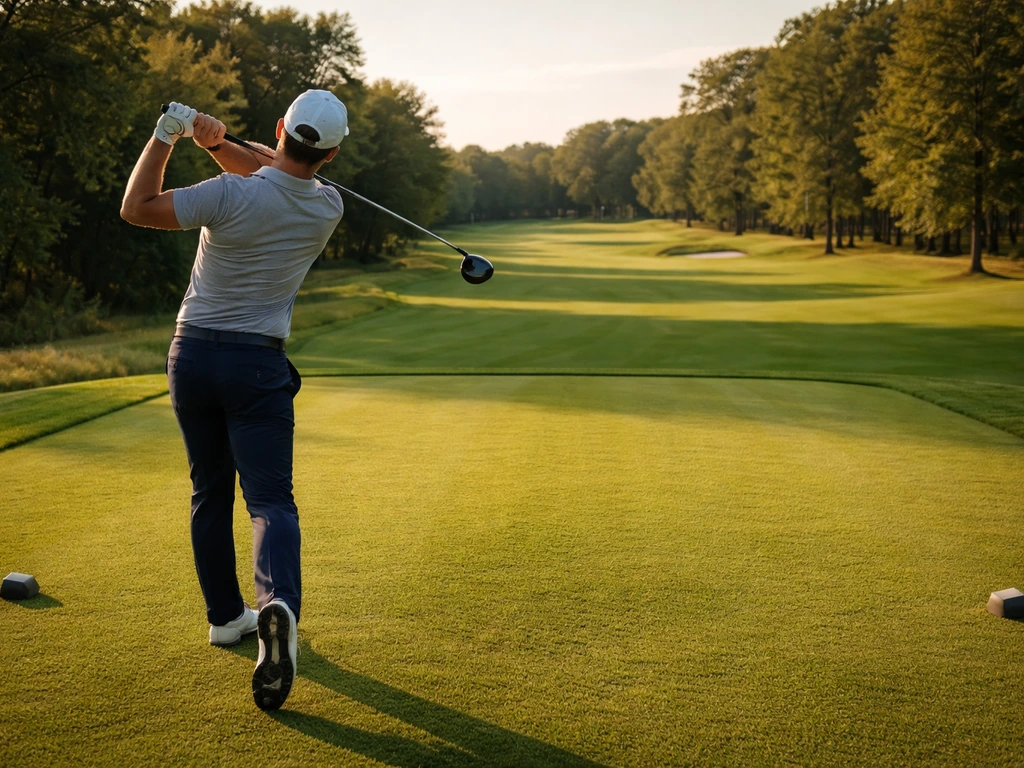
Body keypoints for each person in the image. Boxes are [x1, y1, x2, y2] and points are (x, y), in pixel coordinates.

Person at [120, 91, 349, 710]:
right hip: (257, 365)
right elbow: (277, 173)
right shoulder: (328, 205)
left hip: (192, 356)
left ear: (278, 128)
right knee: (270, 500)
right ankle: (277, 605)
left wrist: (168, 135)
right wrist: (218, 143)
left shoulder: (227, 195)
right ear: (331, 153)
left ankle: (225, 617)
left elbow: (136, 207)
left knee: (209, 491)